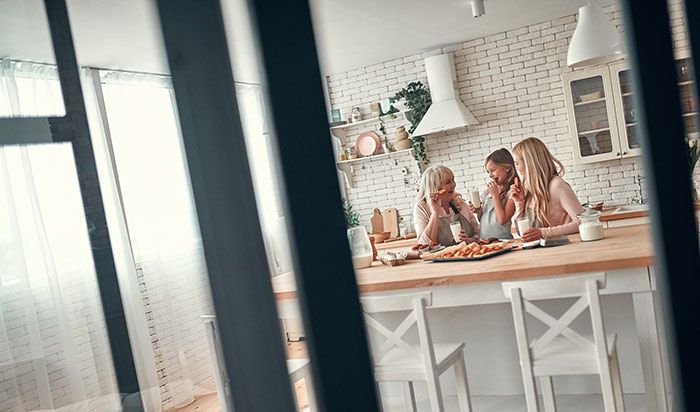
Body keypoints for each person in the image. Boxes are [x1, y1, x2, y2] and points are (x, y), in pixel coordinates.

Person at [510, 137, 584, 242]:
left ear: (529, 163)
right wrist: (519, 203)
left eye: (517, 163)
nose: (516, 168)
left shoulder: (557, 185)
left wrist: (542, 232)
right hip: (543, 251)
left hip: (564, 249)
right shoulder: (527, 189)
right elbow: (522, 232)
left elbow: (581, 222)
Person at [413, 165, 479, 246]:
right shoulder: (422, 207)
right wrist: (435, 212)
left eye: (453, 180)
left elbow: (478, 234)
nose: (454, 184)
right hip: (441, 257)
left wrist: (468, 240)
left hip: (469, 255)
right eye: (448, 182)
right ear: (435, 187)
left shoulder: (460, 203)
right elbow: (424, 244)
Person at [468, 148, 517, 239]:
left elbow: (502, 220)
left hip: (503, 241)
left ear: (507, 168)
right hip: (485, 242)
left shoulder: (512, 192)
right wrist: (478, 211)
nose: (490, 175)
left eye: (493, 170)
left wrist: (495, 196)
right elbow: (483, 219)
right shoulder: (488, 191)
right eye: (488, 172)